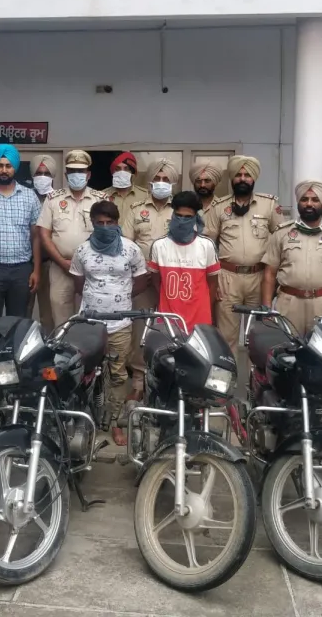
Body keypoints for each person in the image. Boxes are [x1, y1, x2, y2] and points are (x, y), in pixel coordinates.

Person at [69, 200, 148, 446]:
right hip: (89, 324)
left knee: (117, 375)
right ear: (92, 223)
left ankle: (114, 423)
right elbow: (78, 283)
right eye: (100, 223)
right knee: (85, 373)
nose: (104, 227)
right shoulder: (82, 250)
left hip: (120, 324)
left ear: (117, 223)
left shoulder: (131, 249)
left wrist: (120, 298)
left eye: (109, 222)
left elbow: (141, 280)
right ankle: (85, 420)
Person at [203, 155, 283, 354]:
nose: (242, 179)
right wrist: (213, 280)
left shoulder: (269, 204)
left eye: (247, 175)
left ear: (254, 178)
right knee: (226, 336)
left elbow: (281, 241)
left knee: (259, 336)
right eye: (238, 175)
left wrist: (276, 278)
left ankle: (256, 374)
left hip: (259, 277)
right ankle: (227, 373)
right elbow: (207, 244)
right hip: (227, 278)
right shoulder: (218, 207)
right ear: (232, 178)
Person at [262, 179, 322, 335]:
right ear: (298, 203)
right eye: (304, 199)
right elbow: (269, 273)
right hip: (289, 304)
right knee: (287, 348)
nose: (309, 204)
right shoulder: (282, 233)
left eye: (315, 200)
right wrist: (267, 308)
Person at [120, 158, 178, 397]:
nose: (161, 183)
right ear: (150, 182)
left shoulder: (180, 210)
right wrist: (138, 274)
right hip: (143, 280)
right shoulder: (136, 210)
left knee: (171, 328)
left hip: (172, 281)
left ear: (173, 183)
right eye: (157, 179)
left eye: (166, 179)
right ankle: (138, 382)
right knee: (140, 330)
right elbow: (125, 245)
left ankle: (169, 379)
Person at [0, 144, 42, 322]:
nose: (4, 170)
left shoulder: (30, 196)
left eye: (8, 166)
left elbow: (36, 236)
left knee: (18, 322)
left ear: (15, 168)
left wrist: (36, 270)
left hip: (22, 270)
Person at [38, 149, 107, 327]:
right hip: (60, 267)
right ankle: (63, 345)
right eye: (73, 171)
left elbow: (108, 233)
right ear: (66, 174)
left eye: (81, 171)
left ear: (88, 174)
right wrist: (62, 262)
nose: (77, 174)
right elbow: (44, 234)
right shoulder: (53, 199)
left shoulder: (101, 200)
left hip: (92, 269)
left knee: (90, 318)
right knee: (61, 318)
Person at [147, 190, 221, 332]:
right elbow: (156, 282)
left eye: (188, 217)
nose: (182, 221)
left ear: (195, 218)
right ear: (172, 215)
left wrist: (203, 308)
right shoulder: (159, 245)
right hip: (168, 320)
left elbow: (212, 284)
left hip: (199, 321)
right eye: (179, 216)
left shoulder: (207, 245)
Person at [26, 153, 57, 333]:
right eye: (38, 173)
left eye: (46, 173)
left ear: (53, 176)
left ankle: (49, 346)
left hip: (50, 264)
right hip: (24, 264)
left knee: (49, 314)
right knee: (24, 312)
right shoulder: (23, 197)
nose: (42, 177)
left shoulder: (59, 200)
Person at [103, 151, 147, 218]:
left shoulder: (145, 196)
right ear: (112, 172)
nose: (122, 172)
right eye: (117, 169)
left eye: (126, 169)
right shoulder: (102, 196)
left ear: (132, 172)